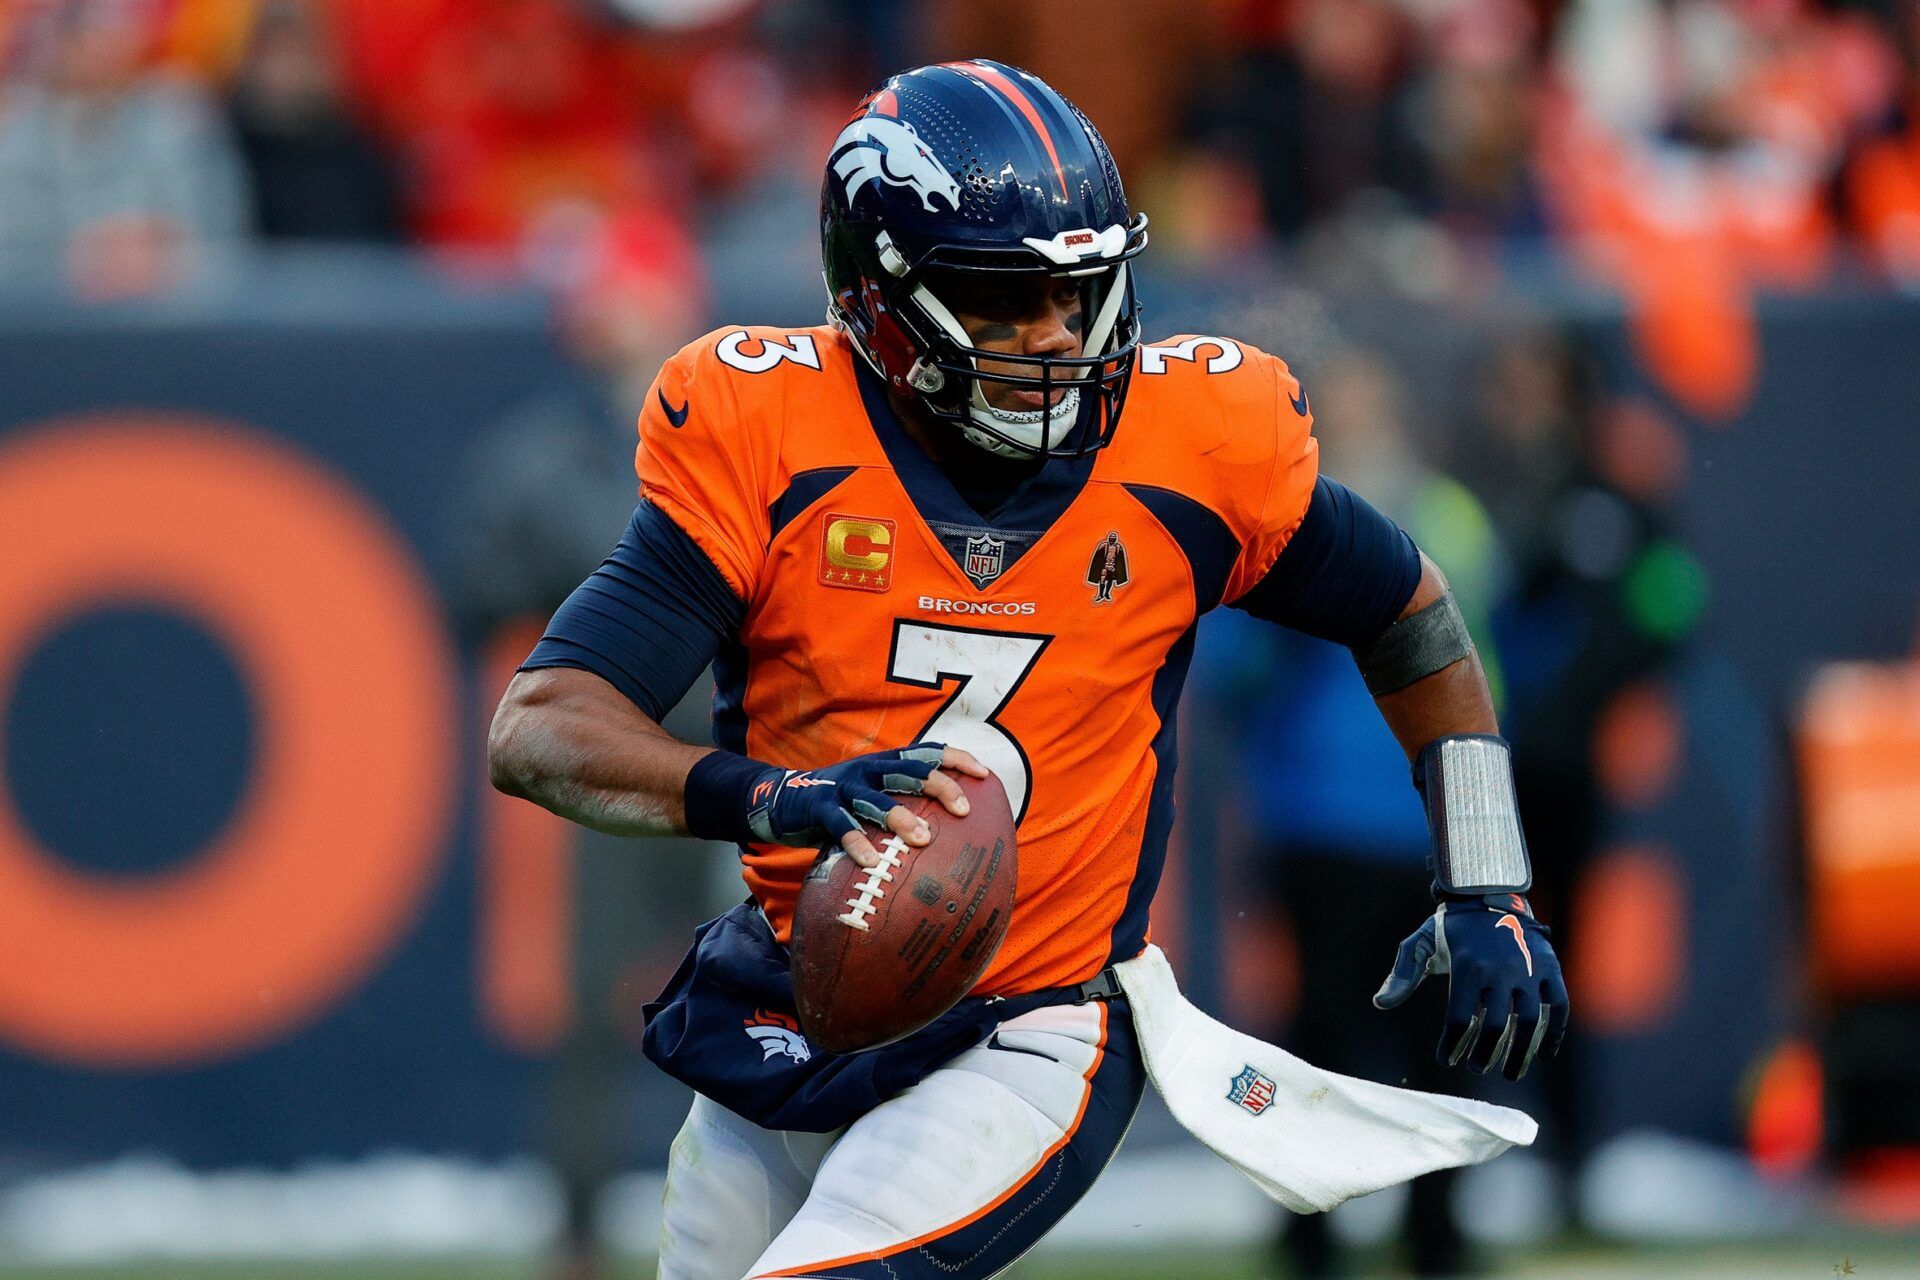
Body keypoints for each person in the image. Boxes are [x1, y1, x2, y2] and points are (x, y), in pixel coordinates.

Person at [487, 60, 1569, 1280]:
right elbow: (539, 722)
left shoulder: (1196, 444)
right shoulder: (769, 435)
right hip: (800, 997)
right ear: (883, 297)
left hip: (1030, 1023)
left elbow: (1414, 615)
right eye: (1011, 297)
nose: (1064, 334)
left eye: (1086, 288)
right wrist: (766, 795)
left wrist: (1487, 875)